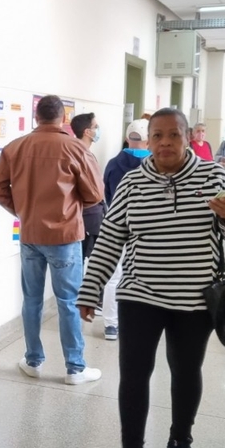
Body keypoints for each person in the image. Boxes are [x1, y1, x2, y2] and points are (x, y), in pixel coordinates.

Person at [78, 108, 225, 448]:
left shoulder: (213, 176)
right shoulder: (132, 183)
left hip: (194, 299)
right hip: (140, 294)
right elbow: (110, 238)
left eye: (174, 135)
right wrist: (91, 287)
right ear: (147, 140)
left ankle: (179, 444)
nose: (165, 143)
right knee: (133, 375)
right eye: (157, 136)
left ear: (188, 137)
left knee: (185, 370)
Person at [0, 95, 104, 383]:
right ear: (62, 118)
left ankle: (33, 361)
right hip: (65, 236)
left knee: (31, 299)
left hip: (30, 234)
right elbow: (95, 195)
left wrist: (22, 210)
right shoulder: (76, 148)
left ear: (36, 116)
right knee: (68, 300)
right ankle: (75, 367)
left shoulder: (15, 147)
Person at [97, 120, 151, 342]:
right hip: (147, 230)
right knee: (145, 275)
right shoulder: (156, 164)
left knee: (114, 276)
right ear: (149, 139)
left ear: (128, 138)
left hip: (116, 226)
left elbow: (107, 195)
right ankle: (142, 323)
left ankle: (111, 324)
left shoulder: (113, 163)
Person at [70, 112, 106, 262]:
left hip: (91, 218)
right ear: (87, 132)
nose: (98, 130)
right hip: (86, 219)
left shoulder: (86, 153)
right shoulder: (79, 155)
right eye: (95, 127)